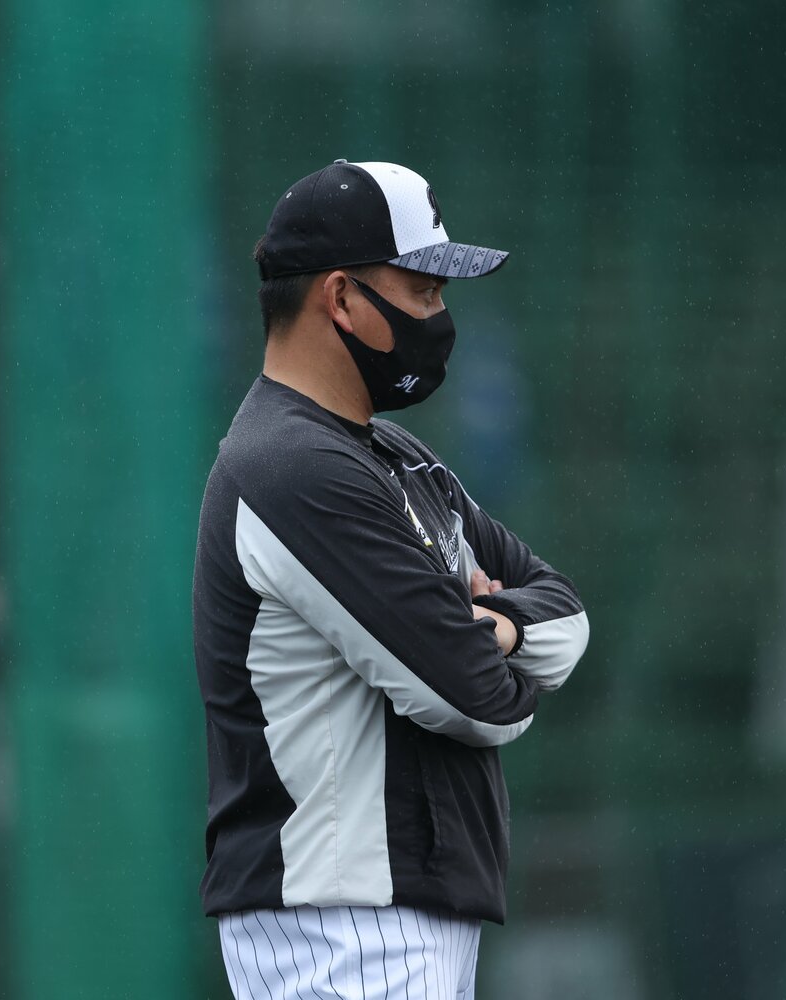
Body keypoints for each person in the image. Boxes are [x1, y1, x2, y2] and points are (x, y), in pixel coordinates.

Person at [191, 160, 590, 999]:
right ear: (340, 299)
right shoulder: (294, 467)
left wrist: (506, 626)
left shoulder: (391, 458)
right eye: (422, 290)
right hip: (339, 925)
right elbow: (476, 696)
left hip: (391, 914)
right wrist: (491, 655)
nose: (441, 317)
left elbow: (566, 612)